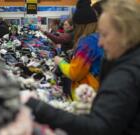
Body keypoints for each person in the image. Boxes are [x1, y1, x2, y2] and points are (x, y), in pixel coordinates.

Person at [23, 0, 140, 135]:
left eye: (105, 34)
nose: (100, 43)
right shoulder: (128, 63)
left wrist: (37, 107)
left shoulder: (126, 74)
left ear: (125, 33)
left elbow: (97, 128)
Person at [54, 0, 103, 100]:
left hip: (87, 96)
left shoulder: (87, 42)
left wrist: (60, 62)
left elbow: (74, 73)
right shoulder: (99, 37)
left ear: (80, 25)